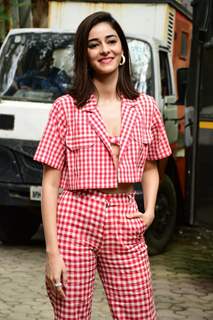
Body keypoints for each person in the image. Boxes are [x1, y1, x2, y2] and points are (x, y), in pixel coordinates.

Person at [33, 11, 172, 320]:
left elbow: (151, 165)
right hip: (74, 218)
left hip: (125, 217)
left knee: (139, 313)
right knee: (71, 314)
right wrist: (52, 252)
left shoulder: (146, 107)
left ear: (122, 49)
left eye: (111, 41)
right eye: (94, 44)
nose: (104, 50)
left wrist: (148, 211)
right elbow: (50, 183)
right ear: (85, 53)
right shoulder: (66, 108)